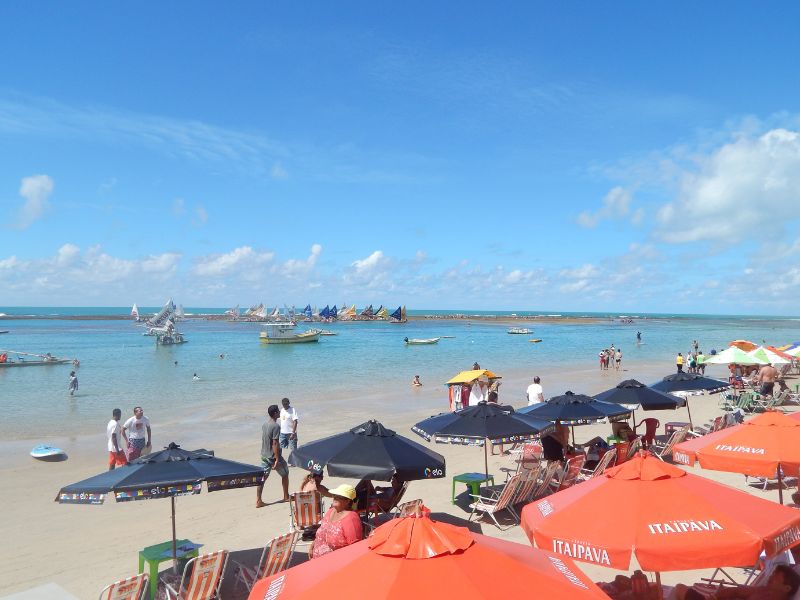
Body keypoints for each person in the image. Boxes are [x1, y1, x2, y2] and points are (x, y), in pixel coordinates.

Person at [673, 564, 800, 599]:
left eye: (775, 578)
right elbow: (736, 591)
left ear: (786, 588)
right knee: (679, 589)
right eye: (772, 575)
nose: (770, 578)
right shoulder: (763, 591)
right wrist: (717, 597)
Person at [309, 484, 363, 559]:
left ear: (347, 501)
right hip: (316, 560)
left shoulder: (351, 518)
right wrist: (313, 545)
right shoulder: (331, 511)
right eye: (335, 495)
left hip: (336, 564)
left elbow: (355, 547)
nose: (335, 498)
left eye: (339, 496)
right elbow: (322, 531)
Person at [256, 404, 290, 507]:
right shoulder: (276, 426)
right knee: (285, 474)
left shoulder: (265, 424)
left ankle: (258, 501)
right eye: (278, 411)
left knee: (262, 478)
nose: (280, 412)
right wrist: (277, 459)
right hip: (272, 456)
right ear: (275, 413)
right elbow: (275, 443)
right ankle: (286, 496)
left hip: (264, 455)